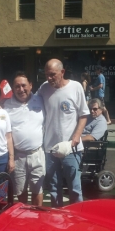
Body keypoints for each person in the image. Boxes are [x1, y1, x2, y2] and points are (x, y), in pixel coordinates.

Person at [37, 58, 90, 207]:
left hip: (71, 149)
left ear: (62, 72)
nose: (49, 78)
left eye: (52, 74)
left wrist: (75, 139)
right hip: (50, 148)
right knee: (53, 189)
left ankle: (78, 218)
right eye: (46, 74)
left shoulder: (76, 87)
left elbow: (83, 115)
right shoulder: (44, 88)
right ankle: (57, 219)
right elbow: (30, 102)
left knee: (75, 188)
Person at [3, 72, 45, 206]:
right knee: (20, 191)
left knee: (38, 190)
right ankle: (24, 220)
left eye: (24, 85)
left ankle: (37, 218)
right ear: (13, 88)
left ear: (31, 85)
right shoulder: (6, 106)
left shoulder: (40, 100)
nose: (21, 89)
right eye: (17, 86)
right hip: (18, 157)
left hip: (37, 154)